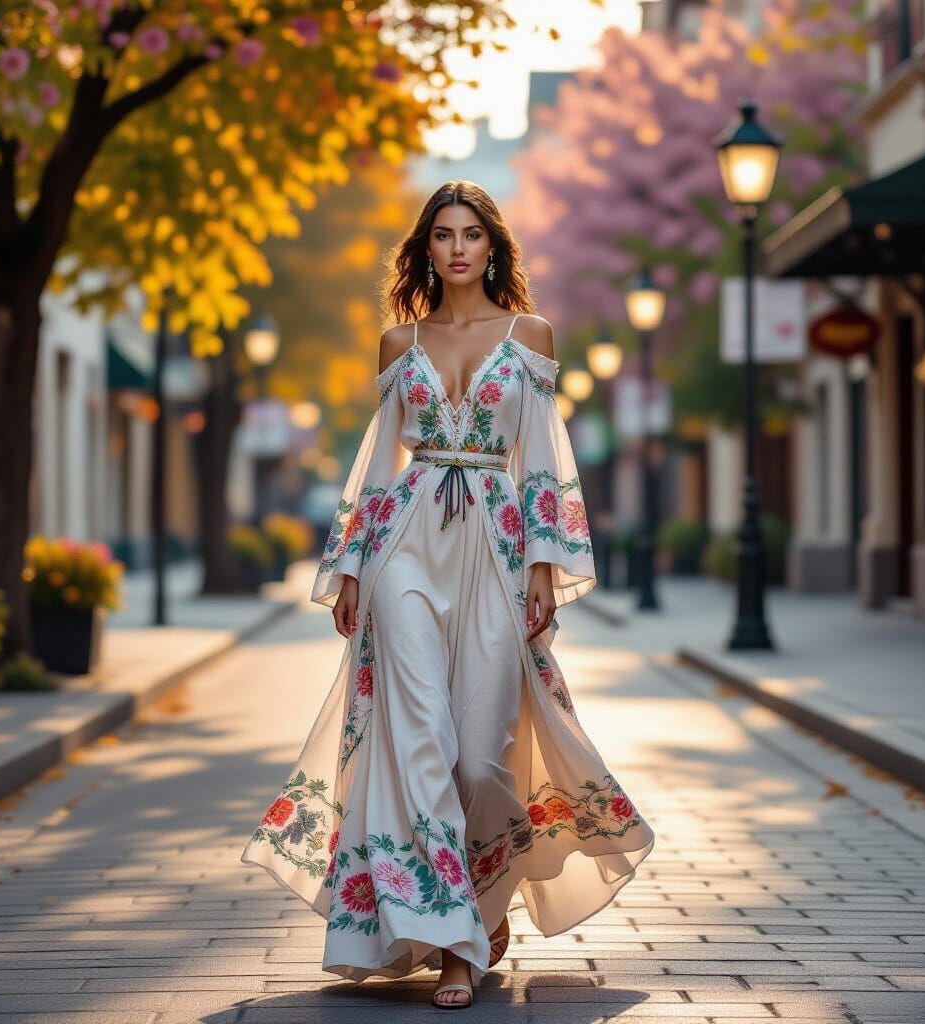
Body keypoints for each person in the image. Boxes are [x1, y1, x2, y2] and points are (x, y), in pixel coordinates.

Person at [241, 180, 654, 1009]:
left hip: (497, 547)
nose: (458, 247)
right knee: (419, 740)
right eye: (442, 235)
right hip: (405, 545)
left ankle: (483, 888)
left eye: (471, 234)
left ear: (492, 247)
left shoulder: (529, 335)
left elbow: (543, 456)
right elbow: (378, 463)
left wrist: (546, 562)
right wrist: (353, 567)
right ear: (425, 249)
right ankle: (455, 944)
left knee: (478, 756)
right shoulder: (400, 344)